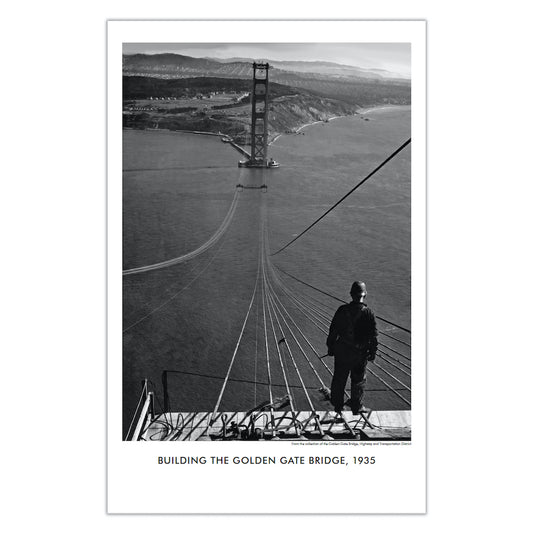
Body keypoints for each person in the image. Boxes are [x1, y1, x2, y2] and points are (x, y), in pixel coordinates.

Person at [326, 281, 378, 415]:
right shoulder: (369, 313)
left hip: (342, 352)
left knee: (339, 379)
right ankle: (357, 406)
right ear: (365, 294)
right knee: (359, 381)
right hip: (360, 354)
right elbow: (373, 337)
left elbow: (333, 331)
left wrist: (330, 347)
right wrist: (372, 353)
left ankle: (338, 407)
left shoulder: (342, 310)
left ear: (351, 294)